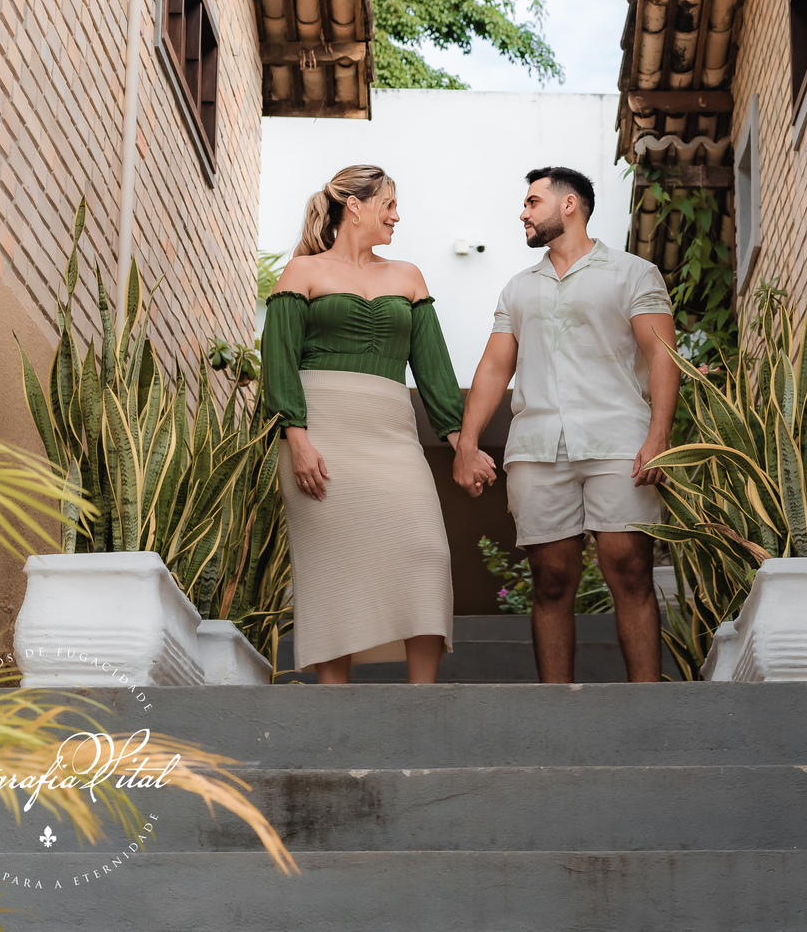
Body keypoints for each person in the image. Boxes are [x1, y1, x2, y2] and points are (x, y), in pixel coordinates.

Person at [261, 163, 494, 684]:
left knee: (426, 554)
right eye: (387, 204)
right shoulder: (302, 272)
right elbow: (278, 363)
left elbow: (434, 371)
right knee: (334, 571)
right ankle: (335, 704)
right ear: (355, 206)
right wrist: (297, 439)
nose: (395, 215)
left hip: (392, 436)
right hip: (321, 435)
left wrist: (463, 445)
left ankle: (422, 703)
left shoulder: (408, 276)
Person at [453, 166, 678, 683]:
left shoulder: (633, 274)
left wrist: (658, 437)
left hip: (619, 440)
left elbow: (662, 355)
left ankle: (647, 708)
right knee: (551, 578)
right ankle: (555, 713)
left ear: (569, 205)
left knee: (630, 569)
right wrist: (467, 443)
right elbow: (493, 367)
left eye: (533, 202)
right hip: (537, 450)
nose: (523, 212)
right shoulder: (518, 288)